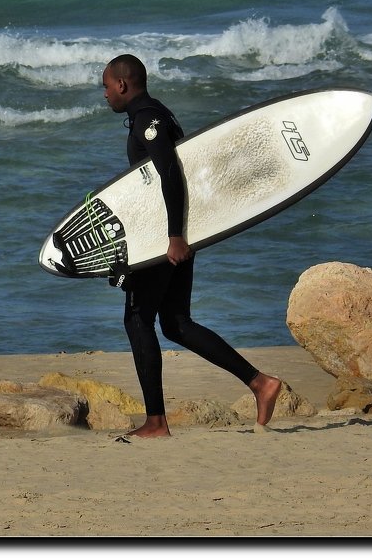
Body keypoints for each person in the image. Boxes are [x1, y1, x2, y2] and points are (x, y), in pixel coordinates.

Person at [101, 54, 282, 439]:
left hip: (168, 237)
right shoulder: (153, 114)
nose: (104, 95)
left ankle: (155, 422)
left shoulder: (148, 118)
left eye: (105, 86)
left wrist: (173, 237)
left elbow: (169, 173)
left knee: (137, 320)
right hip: (176, 232)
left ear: (121, 84)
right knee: (176, 323)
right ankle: (260, 384)